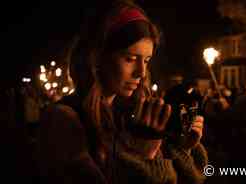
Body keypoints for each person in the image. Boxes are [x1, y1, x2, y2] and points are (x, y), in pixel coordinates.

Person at [37, 1, 207, 184]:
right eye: (130, 59)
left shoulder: (132, 115)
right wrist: (142, 156)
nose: (141, 73)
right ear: (98, 58)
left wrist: (181, 148)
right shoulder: (65, 118)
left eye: (147, 60)